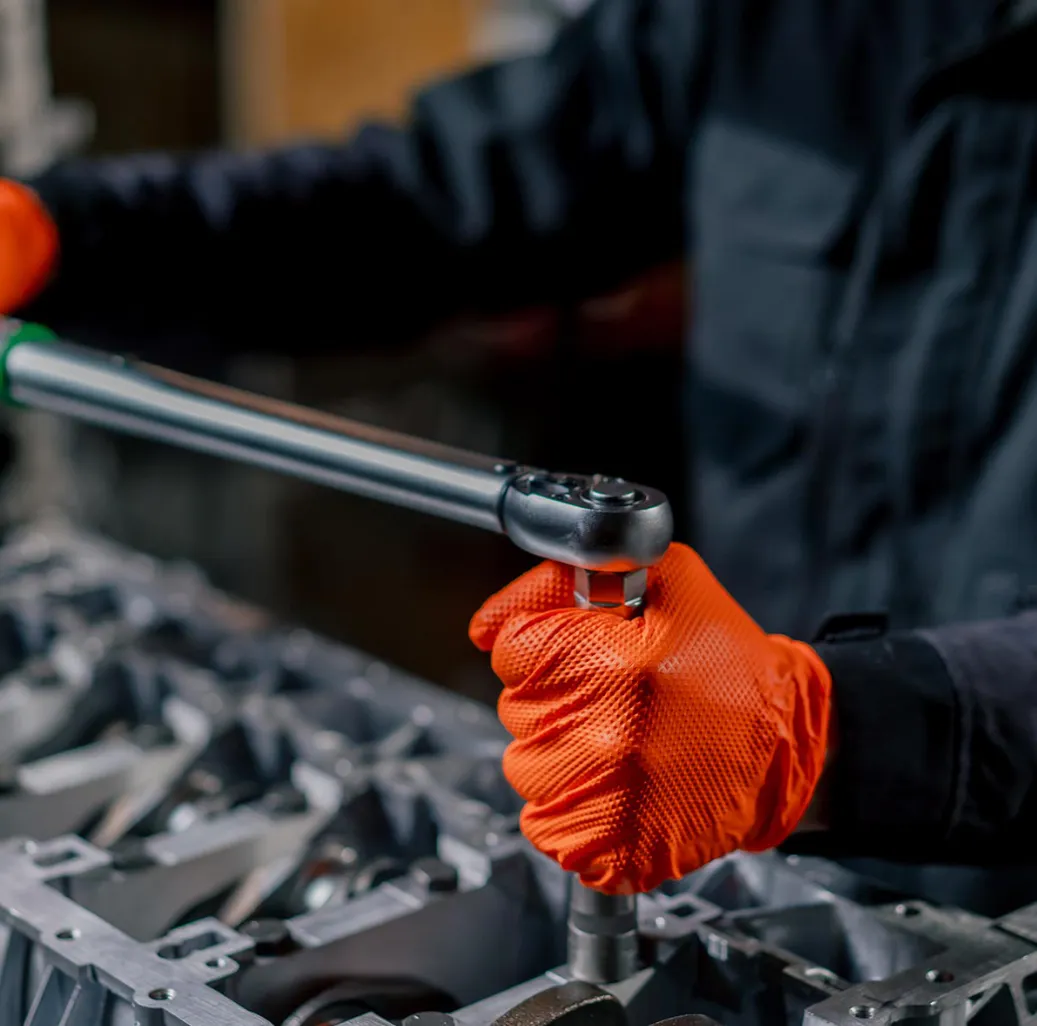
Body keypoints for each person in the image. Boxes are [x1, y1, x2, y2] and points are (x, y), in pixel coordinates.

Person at [2, 0, 1037, 910]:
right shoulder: (782, 19)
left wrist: (839, 734)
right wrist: (74, 236)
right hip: (716, 812)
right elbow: (436, 193)